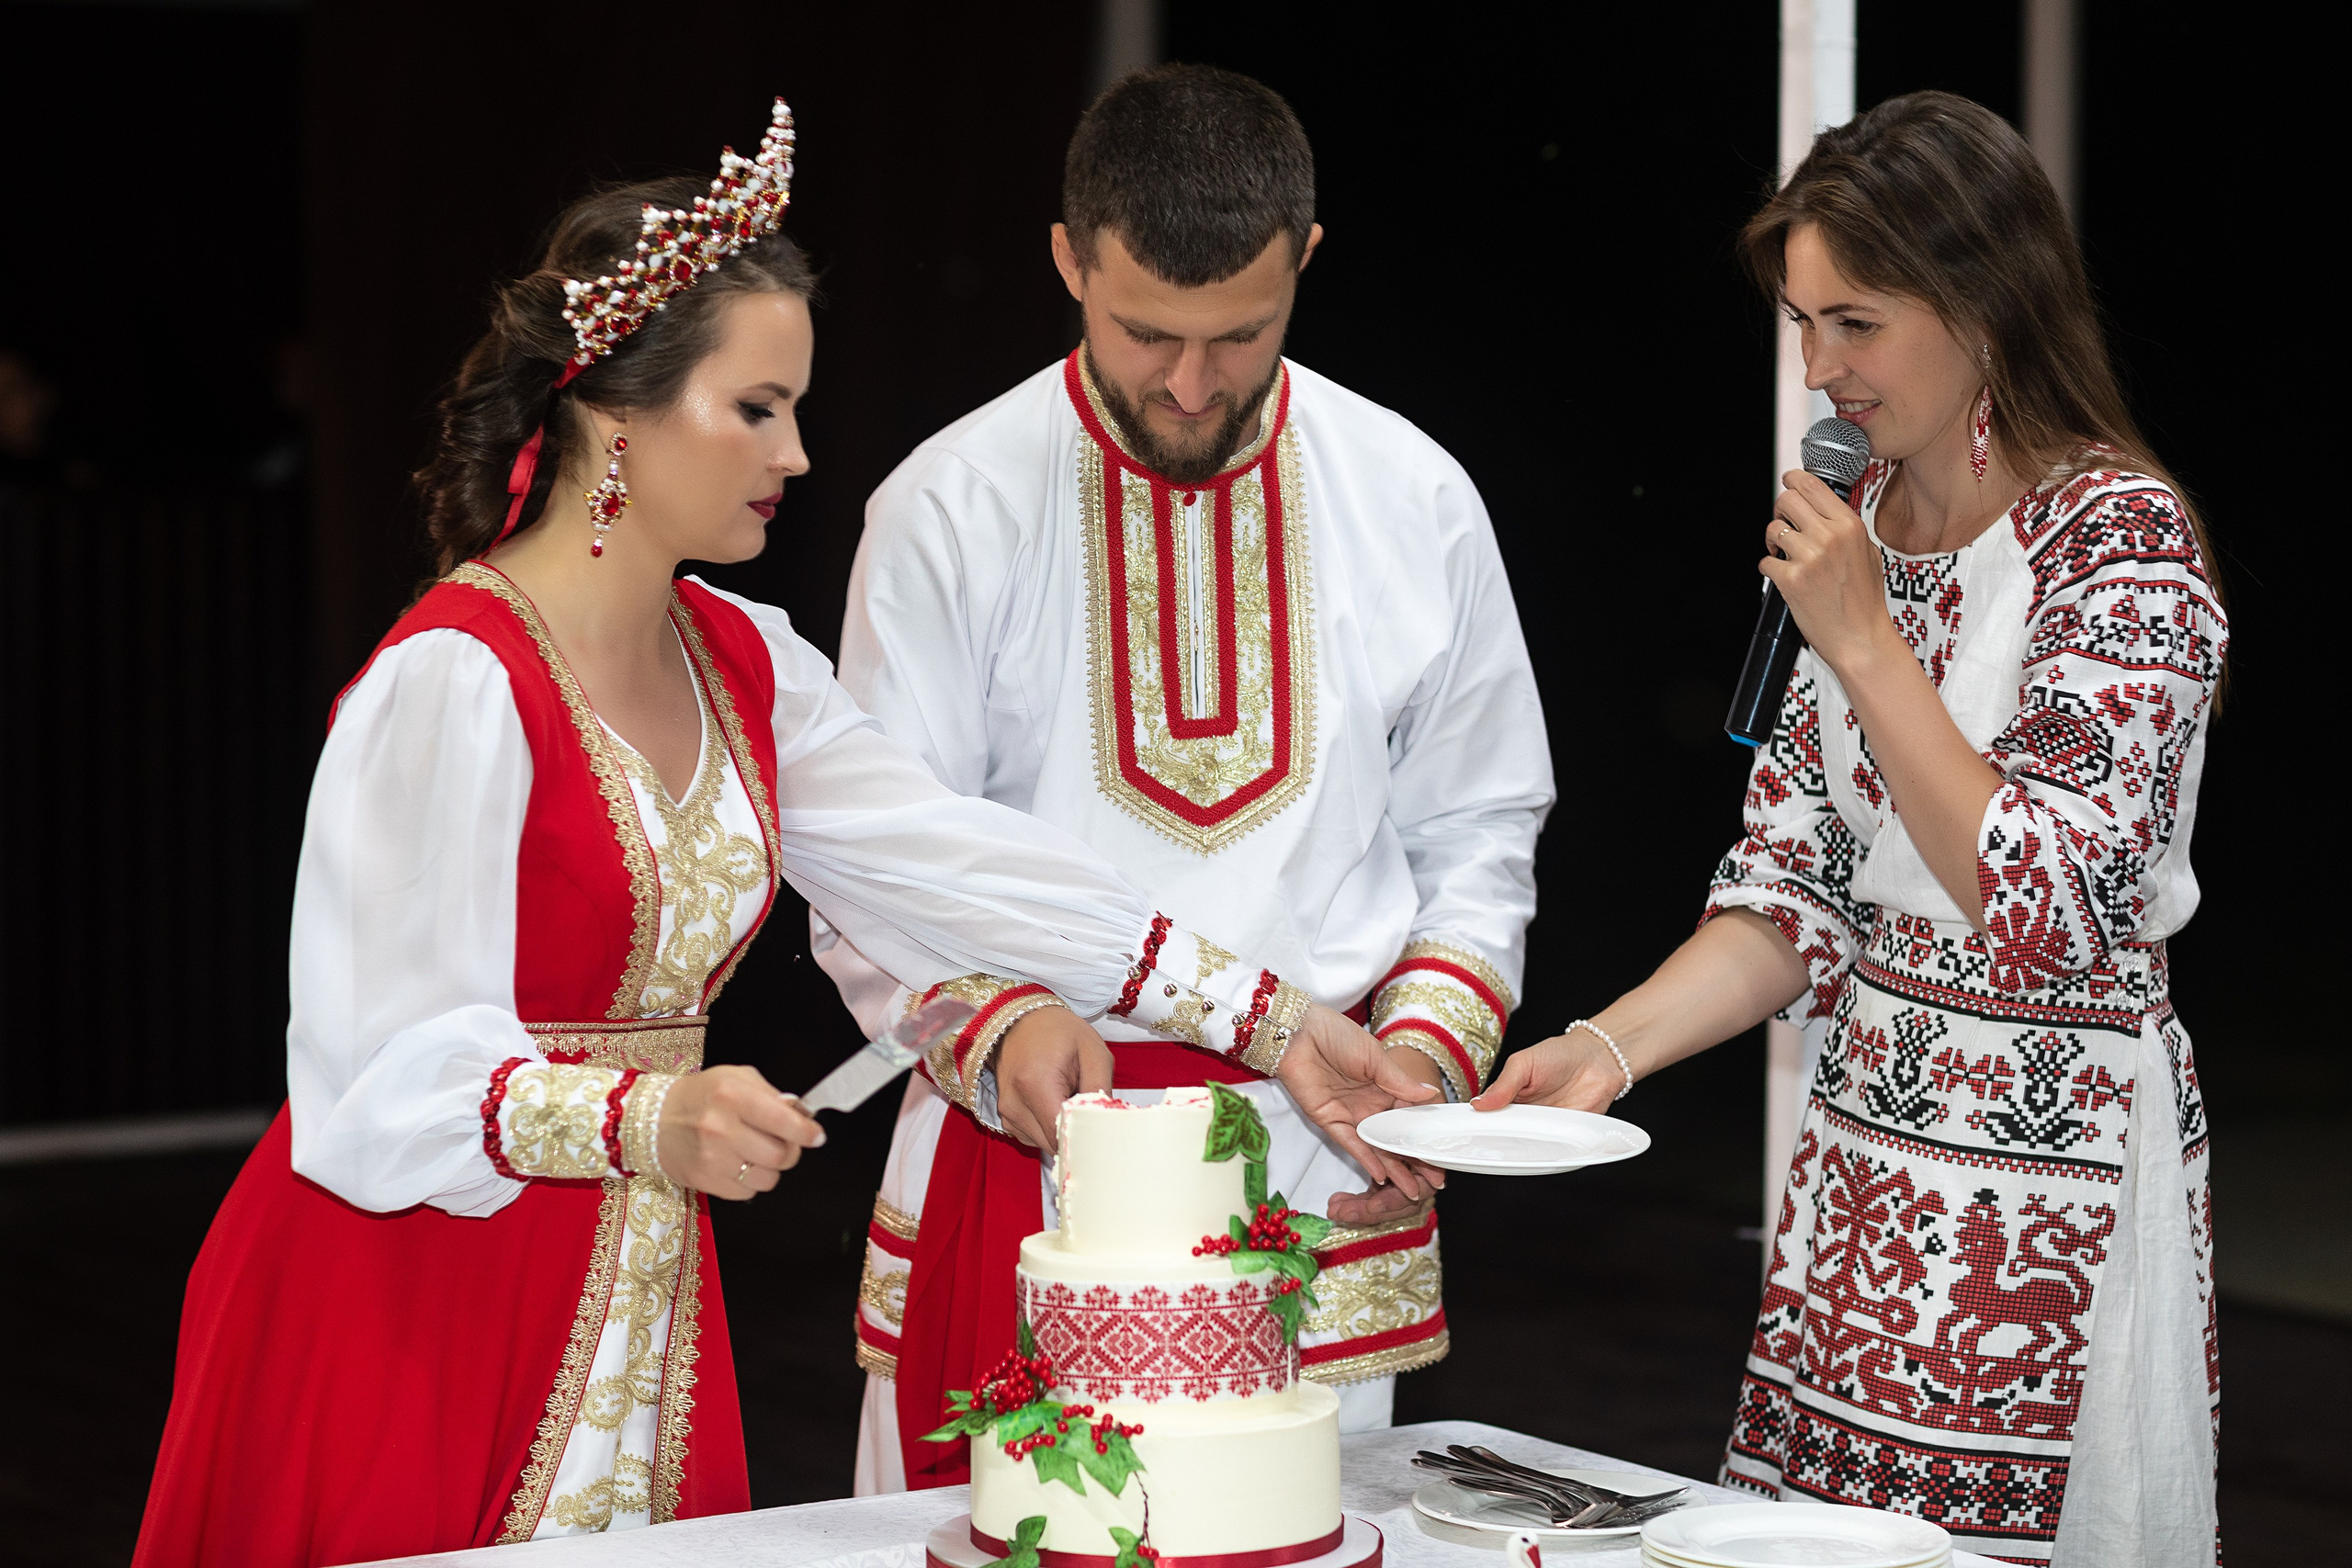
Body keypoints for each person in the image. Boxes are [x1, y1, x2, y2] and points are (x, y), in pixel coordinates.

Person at [133, 102, 1287, 1568]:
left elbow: (950, 858)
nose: (796, 453)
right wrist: (643, 1117)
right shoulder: (456, 681)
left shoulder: (742, 664)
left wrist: (1268, 1011)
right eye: (758, 409)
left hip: (634, 1273)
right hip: (414, 1282)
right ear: (614, 416)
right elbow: (372, 1077)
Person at [1471, 93, 2226, 1565]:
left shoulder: (2120, 545)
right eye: (1804, 322)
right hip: (1866, 1184)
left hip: (2043, 1192)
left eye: (1858, 323)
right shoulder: (1859, 528)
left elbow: (2056, 900)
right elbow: (1794, 887)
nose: (1820, 368)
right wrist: (1604, 1051)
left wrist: (1869, 643)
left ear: (1986, 304)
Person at [815, 64, 1554, 1493]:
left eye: (1244, 334)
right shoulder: (948, 507)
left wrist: (1425, 1053)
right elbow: (875, 866)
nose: (1194, 382)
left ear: (1310, 263)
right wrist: (1005, 1030)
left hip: (1327, 1163)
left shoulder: (1414, 495)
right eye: (1148, 330)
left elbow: (1478, 825)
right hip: (1030, 1152)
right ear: (1066, 260)